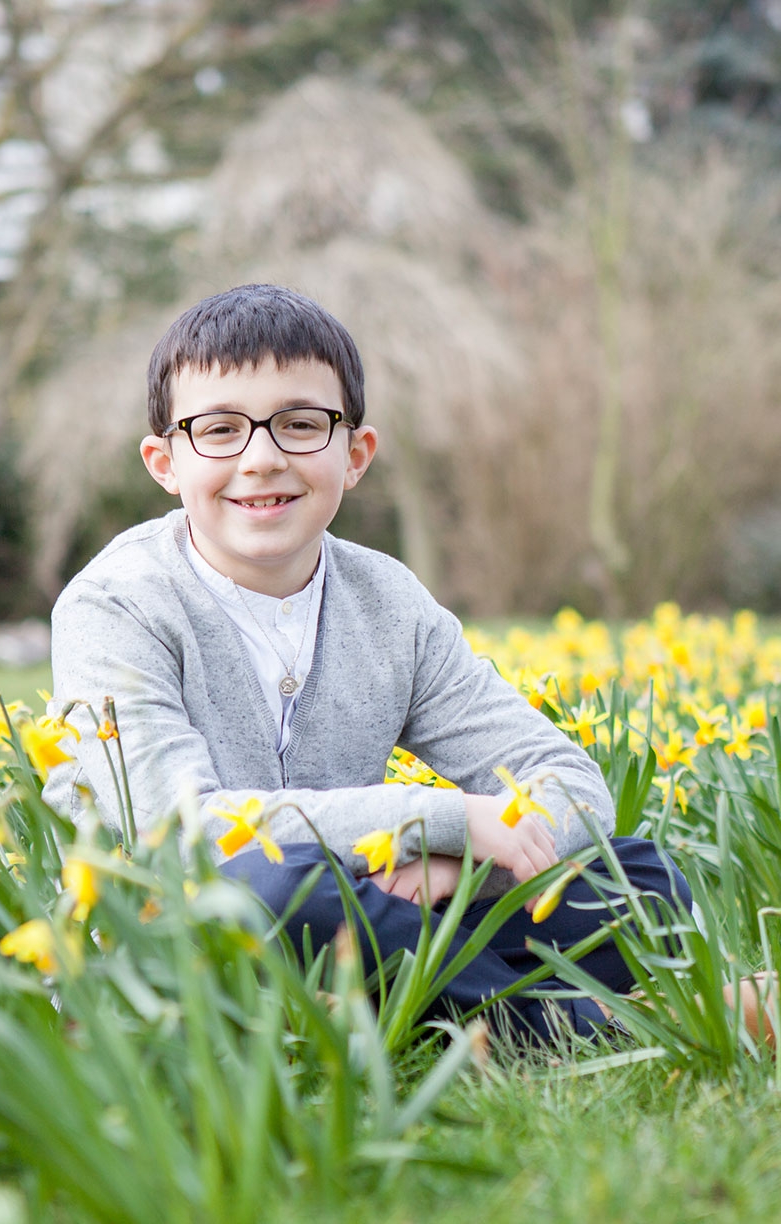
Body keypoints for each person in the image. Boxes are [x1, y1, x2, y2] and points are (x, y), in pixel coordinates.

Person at [45, 283, 687, 1041]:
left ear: (355, 454)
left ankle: (421, 1010)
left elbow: (569, 781)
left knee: (639, 877)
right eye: (219, 430)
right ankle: (584, 1028)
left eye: (300, 425)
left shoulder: (389, 603)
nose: (262, 458)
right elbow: (182, 837)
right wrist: (443, 819)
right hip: (174, 939)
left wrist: (454, 865)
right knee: (270, 888)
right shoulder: (116, 605)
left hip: (357, 910)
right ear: (164, 461)